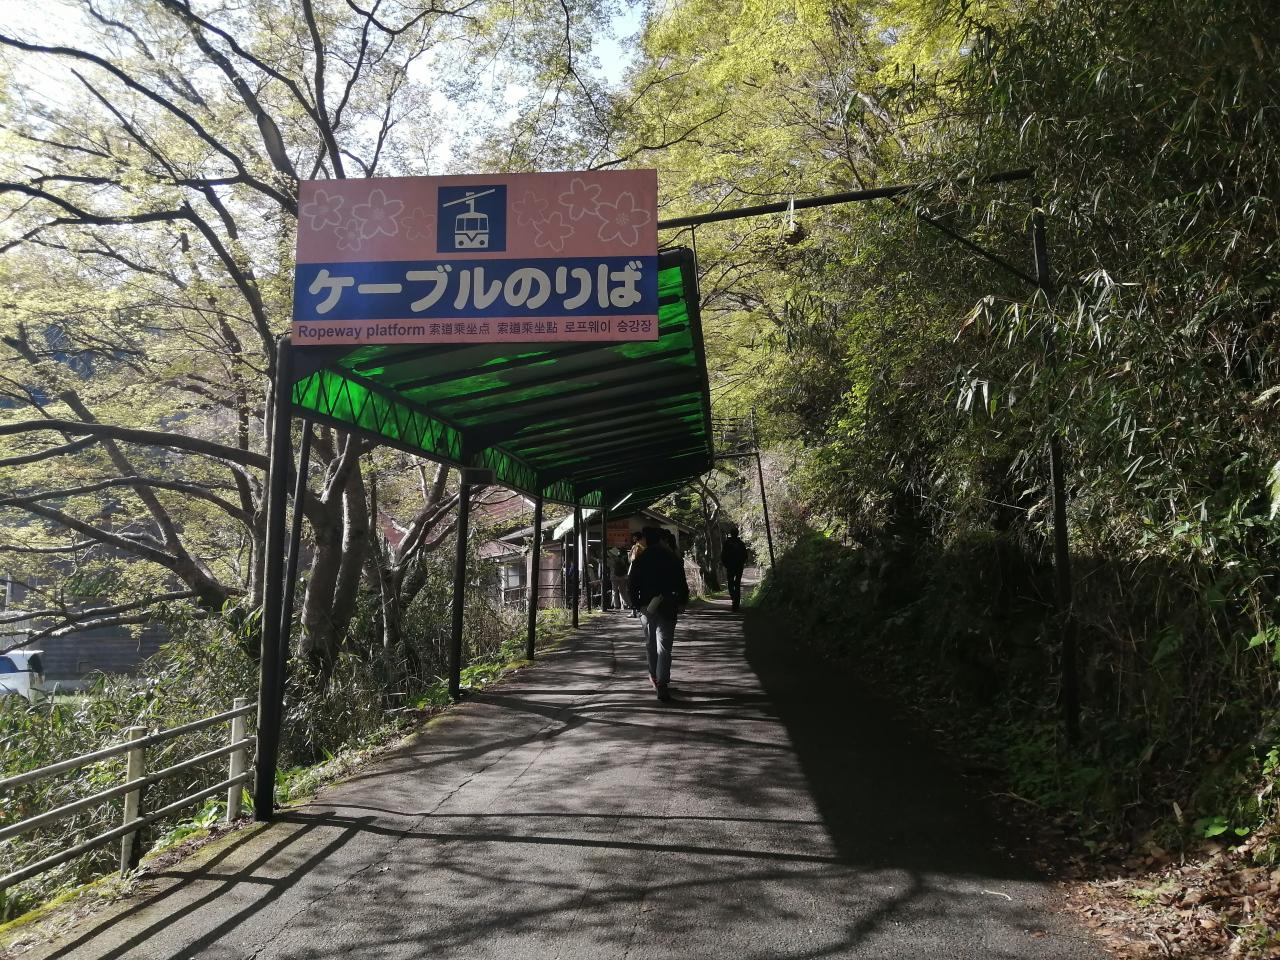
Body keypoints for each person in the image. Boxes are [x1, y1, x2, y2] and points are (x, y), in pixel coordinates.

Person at [629, 526, 690, 702]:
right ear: (661, 539)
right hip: (668, 605)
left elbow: (632, 584)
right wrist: (682, 601)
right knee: (664, 647)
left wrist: (636, 605)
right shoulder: (671, 557)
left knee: (650, 644)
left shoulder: (641, 559)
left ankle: (654, 678)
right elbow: (682, 582)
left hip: (646, 607)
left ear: (646, 540)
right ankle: (662, 682)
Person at [722, 527, 748, 611]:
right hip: (738, 566)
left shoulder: (727, 543)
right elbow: (745, 555)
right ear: (737, 533)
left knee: (731, 583)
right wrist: (742, 563)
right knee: (737, 584)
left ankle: (734, 598)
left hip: (730, 566)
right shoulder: (741, 543)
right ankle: (736, 601)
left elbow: (723, 555)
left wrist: (726, 564)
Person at [625, 531, 645, 617]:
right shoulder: (644, 547)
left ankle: (634, 610)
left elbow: (632, 559)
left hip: (634, 570)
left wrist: (629, 555)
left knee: (633, 591)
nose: (632, 538)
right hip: (642, 571)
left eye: (633, 536)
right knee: (641, 591)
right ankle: (640, 610)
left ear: (636, 538)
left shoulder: (636, 547)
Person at [610, 546, 630, 612]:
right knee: (623, 591)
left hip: (614, 576)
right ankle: (626, 604)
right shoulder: (624, 558)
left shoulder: (612, 559)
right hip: (623, 576)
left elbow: (610, 566)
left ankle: (616, 605)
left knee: (614, 591)